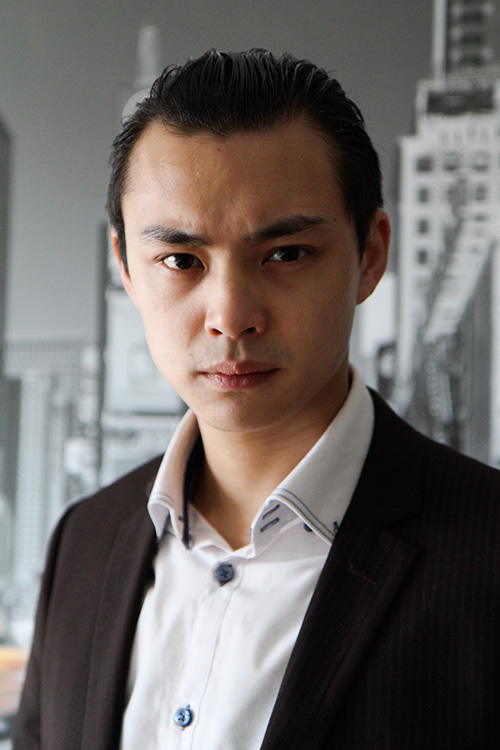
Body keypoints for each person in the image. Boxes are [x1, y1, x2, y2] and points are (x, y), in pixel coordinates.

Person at [14, 49, 500, 750]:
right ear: (127, 270)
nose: (231, 316)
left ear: (370, 255)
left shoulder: (485, 553)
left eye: (286, 254)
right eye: (181, 261)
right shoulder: (84, 543)